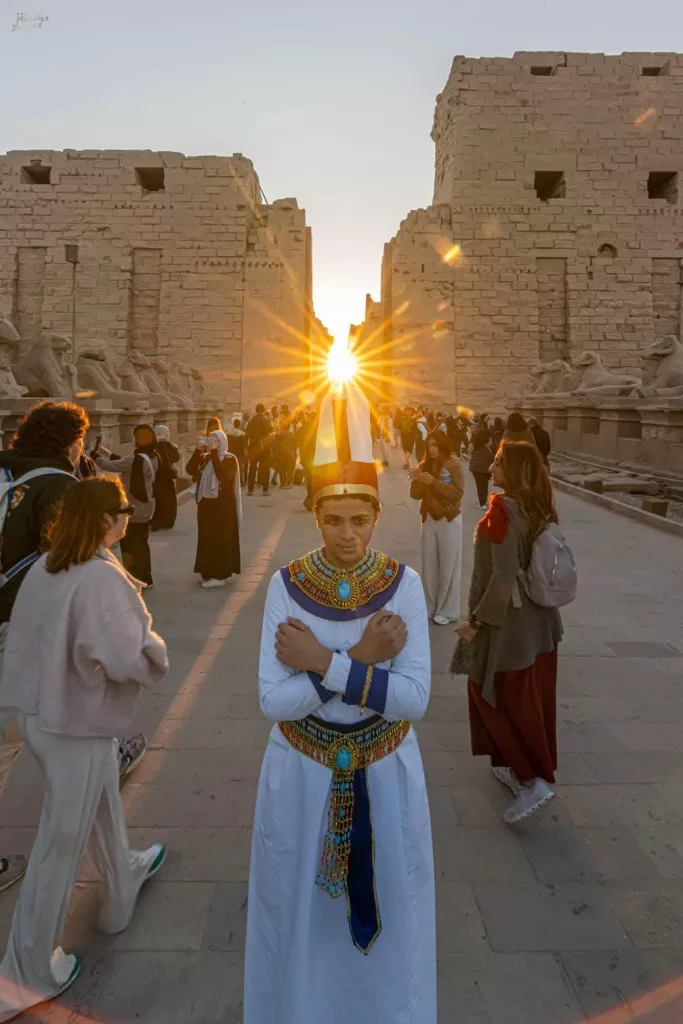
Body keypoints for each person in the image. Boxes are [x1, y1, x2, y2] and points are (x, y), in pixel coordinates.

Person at [244, 384, 435, 1024]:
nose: (347, 535)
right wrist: (363, 656)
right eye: (333, 519)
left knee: (395, 913)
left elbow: (414, 700)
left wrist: (325, 663)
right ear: (314, 516)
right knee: (297, 917)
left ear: (377, 516)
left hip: (386, 770)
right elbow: (274, 701)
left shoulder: (403, 584)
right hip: (302, 774)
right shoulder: (287, 585)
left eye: (359, 519)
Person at [0, 475, 168, 1021]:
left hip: (42, 715)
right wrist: (155, 650)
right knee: (60, 841)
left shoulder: (46, 567)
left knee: (97, 805)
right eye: (122, 509)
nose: (127, 517)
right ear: (105, 519)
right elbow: (128, 655)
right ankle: (24, 972)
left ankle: (122, 880)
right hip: (77, 720)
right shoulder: (100, 577)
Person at [453, 442, 563, 824]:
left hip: (509, 626)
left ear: (513, 470)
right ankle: (515, 766)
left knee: (488, 692)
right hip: (541, 624)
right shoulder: (539, 505)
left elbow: (501, 575)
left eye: (499, 462)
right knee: (526, 697)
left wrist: (475, 622)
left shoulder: (502, 509)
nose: (493, 466)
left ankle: (530, 780)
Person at [409, 430, 464, 626]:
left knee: (448, 565)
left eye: (435, 445)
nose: (431, 449)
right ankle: (430, 607)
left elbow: (456, 493)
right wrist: (416, 479)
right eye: (429, 445)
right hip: (429, 518)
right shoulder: (423, 465)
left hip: (449, 519)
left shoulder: (454, 464)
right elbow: (415, 495)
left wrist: (433, 483)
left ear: (442, 445)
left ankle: (447, 610)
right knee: (429, 566)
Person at [94, 424, 159, 588]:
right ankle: (147, 578)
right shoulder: (153, 455)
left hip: (135, 509)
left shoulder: (136, 459)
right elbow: (125, 462)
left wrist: (95, 456)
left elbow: (111, 466)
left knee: (130, 546)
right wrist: (105, 452)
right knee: (142, 544)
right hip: (148, 506)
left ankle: (136, 580)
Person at [186, 428, 241, 589]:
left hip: (222, 506)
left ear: (222, 442)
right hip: (206, 504)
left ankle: (221, 575)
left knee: (221, 539)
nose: (212, 444)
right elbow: (190, 469)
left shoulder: (230, 459)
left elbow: (223, 476)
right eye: (209, 440)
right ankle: (207, 572)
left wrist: (215, 453)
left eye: (215, 441)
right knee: (206, 539)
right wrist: (198, 450)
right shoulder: (205, 458)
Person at [150, 425, 180, 531]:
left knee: (159, 501)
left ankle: (157, 522)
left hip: (156, 477)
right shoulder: (167, 445)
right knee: (168, 500)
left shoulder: (152, 445)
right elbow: (176, 458)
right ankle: (166, 522)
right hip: (166, 477)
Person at [246, 403, 272, 496]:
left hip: (254, 447)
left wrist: (246, 446)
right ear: (264, 410)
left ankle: (250, 490)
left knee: (252, 468)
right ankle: (265, 490)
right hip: (264, 447)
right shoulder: (266, 420)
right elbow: (271, 430)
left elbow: (247, 434)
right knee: (265, 469)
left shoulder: (252, 421)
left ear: (256, 410)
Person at [469, 432, 494, 509]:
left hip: (476, 469)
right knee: (484, 485)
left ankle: (482, 503)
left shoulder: (475, 446)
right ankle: (484, 501)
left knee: (480, 486)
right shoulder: (488, 449)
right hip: (485, 469)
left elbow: (470, 453)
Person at [226, 417, 247, 486]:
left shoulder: (228, 432)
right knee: (240, 468)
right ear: (239, 425)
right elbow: (244, 445)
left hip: (231, 452)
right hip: (239, 453)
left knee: (231, 467)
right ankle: (241, 482)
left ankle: (231, 481)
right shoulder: (242, 433)